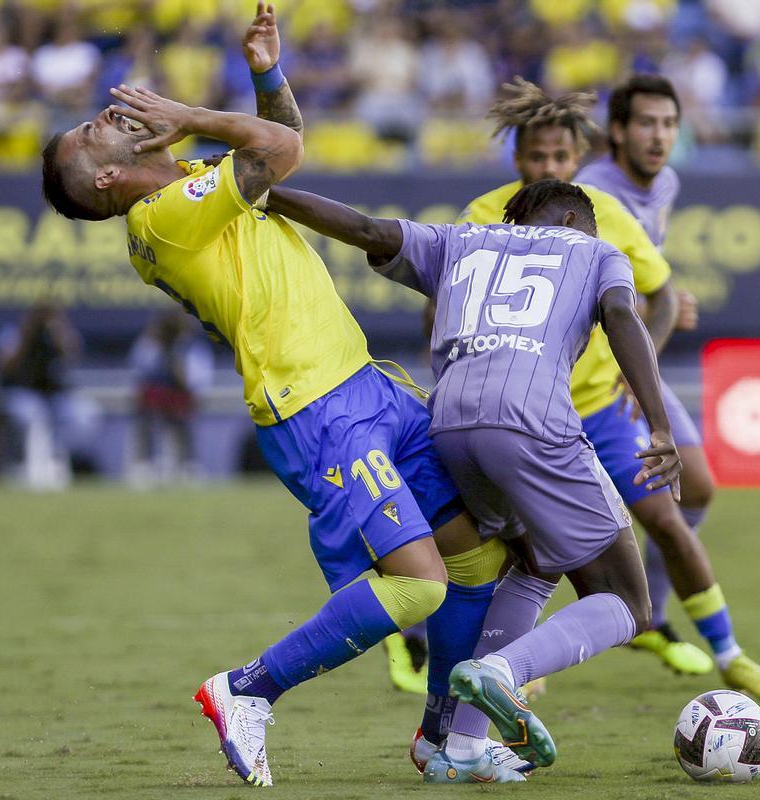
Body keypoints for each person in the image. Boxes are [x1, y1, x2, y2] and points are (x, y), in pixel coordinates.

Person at [39, 4, 516, 786]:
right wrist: (192, 113)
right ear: (106, 180)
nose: (102, 121)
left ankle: (444, 741)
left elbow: (280, 134)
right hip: (312, 408)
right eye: (91, 135)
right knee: (421, 581)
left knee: (476, 560)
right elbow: (283, 151)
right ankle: (249, 689)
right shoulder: (162, 219)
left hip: (365, 384)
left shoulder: (194, 183)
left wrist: (266, 70)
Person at [266, 178, 682, 782]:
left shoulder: (462, 241)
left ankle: (460, 746)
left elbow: (366, 229)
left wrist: (270, 194)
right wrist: (661, 424)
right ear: (573, 216)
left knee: (533, 563)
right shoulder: (596, 252)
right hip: (532, 419)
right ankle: (505, 673)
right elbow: (621, 312)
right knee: (627, 600)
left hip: (450, 425)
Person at [576, 74, 760, 698]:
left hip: (631, 366)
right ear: (617, 131)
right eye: (646, 123)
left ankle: (653, 613)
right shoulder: (591, 193)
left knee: (696, 485)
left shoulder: (665, 183)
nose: (660, 135)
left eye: (669, 124)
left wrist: (654, 313)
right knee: (542, 528)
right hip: (590, 373)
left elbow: (643, 281)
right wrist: (640, 317)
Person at [0, 301, 100, 490]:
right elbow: (4, 366)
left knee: (86, 414)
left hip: (56, 395)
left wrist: (58, 331)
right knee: (34, 414)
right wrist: (28, 334)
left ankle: (59, 461)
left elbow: (74, 355)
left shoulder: (60, 333)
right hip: (24, 393)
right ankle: (34, 466)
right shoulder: (14, 334)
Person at [128, 308, 214, 486]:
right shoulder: (149, 344)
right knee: (145, 410)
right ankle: (145, 464)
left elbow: (196, 382)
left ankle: (189, 464)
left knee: (185, 413)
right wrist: (159, 348)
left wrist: (176, 358)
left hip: (180, 399)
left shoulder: (192, 347)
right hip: (156, 399)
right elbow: (140, 374)